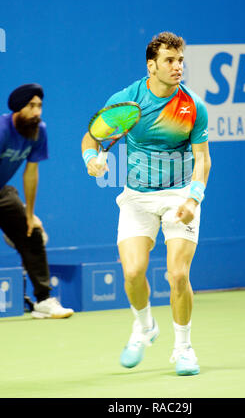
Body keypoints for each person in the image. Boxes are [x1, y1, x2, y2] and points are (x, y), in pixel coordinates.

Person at [81, 32, 211, 375]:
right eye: (170, 60)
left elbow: (203, 159)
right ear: (151, 66)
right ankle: (144, 327)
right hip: (137, 197)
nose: (178, 66)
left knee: (177, 274)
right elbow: (93, 135)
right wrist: (91, 158)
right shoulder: (129, 100)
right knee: (133, 271)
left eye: (181, 60)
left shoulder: (193, 105)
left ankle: (183, 348)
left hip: (179, 196)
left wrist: (194, 198)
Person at [0, 83, 74, 319]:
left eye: (40, 106)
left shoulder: (38, 131)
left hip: (2, 191)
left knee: (32, 232)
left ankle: (43, 300)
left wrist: (29, 215)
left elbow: (31, 173)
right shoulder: (2, 130)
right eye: (31, 106)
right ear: (18, 108)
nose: (37, 111)